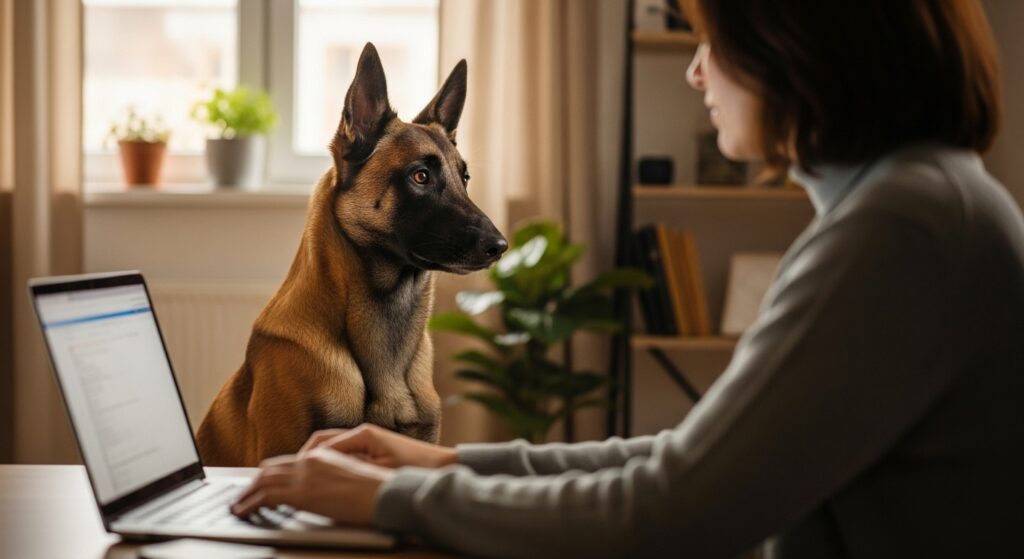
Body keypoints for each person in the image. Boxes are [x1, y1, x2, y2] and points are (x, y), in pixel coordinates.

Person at [231, 1, 1024, 557]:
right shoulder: (915, 205)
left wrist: (387, 498)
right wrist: (447, 466)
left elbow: (673, 510)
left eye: (714, 39)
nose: (695, 71)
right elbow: (692, 459)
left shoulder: (902, 230)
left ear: (797, 43)